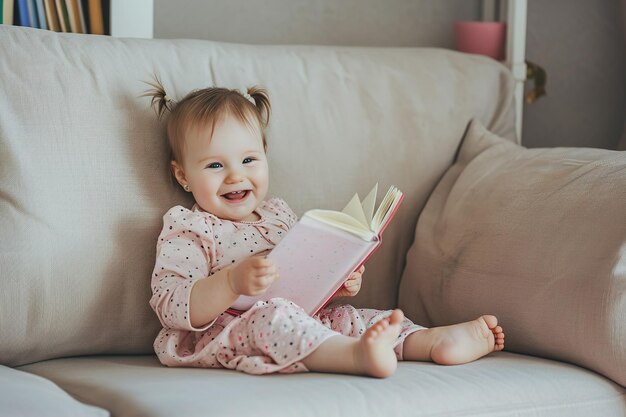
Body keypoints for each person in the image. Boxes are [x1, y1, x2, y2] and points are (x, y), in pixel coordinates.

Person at [145, 79, 505, 378]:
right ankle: (356, 357)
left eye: (249, 159)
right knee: (274, 319)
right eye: (214, 165)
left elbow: (303, 281)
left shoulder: (279, 214)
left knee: (354, 317)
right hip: (231, 330)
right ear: (182, 175)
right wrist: (230, 283)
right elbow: (170, 303)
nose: (236, 175)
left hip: (307, 317)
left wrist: (338, 280)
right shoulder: (190, 227)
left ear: (265, 156)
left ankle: (432, 342)